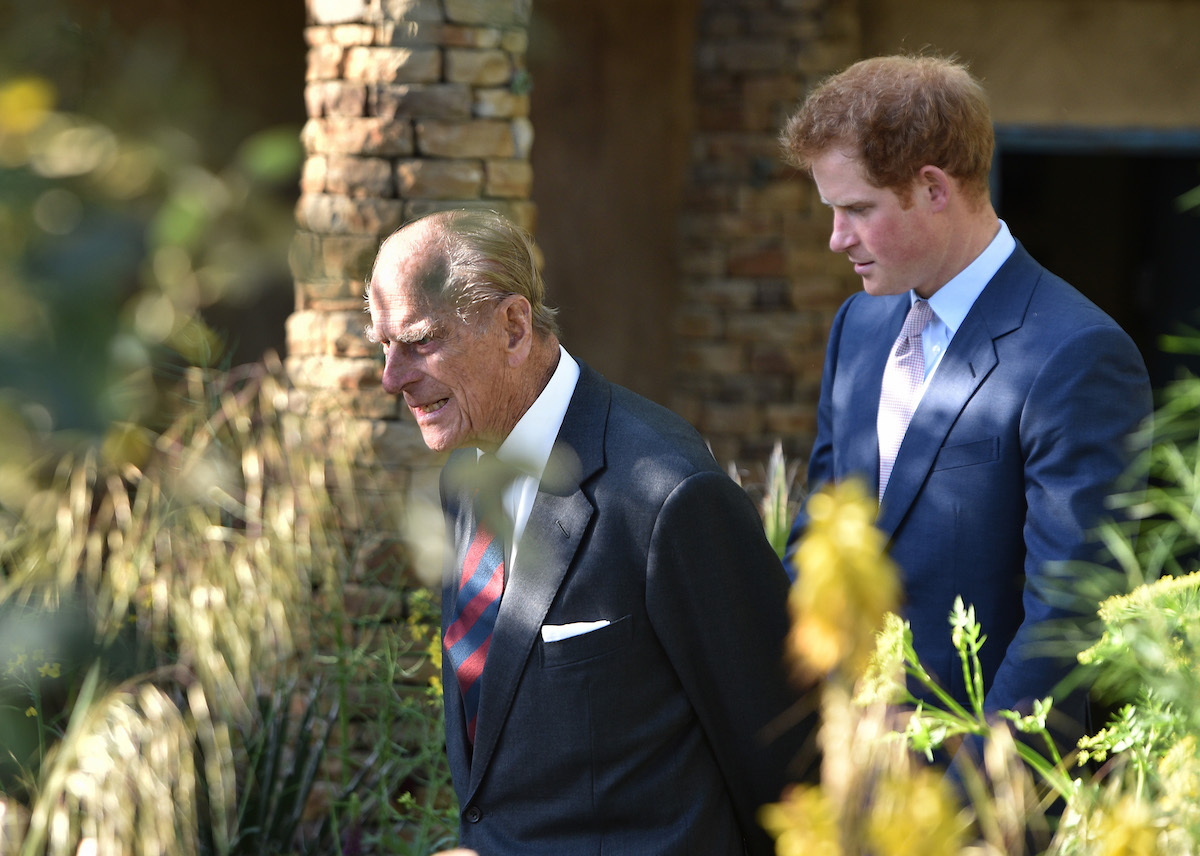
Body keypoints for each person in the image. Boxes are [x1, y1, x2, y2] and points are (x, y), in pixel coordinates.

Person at [365, 209, 810, 855]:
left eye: (421, 341)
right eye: (383, 345)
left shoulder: (667, 494)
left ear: (514, 327)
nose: (391, 377)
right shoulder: (465, 474)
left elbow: (785, 765)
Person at [779, 54, 1152, 759]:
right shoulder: (856, 330)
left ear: (932, 188)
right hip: (836, 778)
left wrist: (973, 809)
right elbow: (819, 538)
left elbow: (1064, 623)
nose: (836, 238)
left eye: (857, 209)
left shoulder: (1078, 355)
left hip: (970, 795)